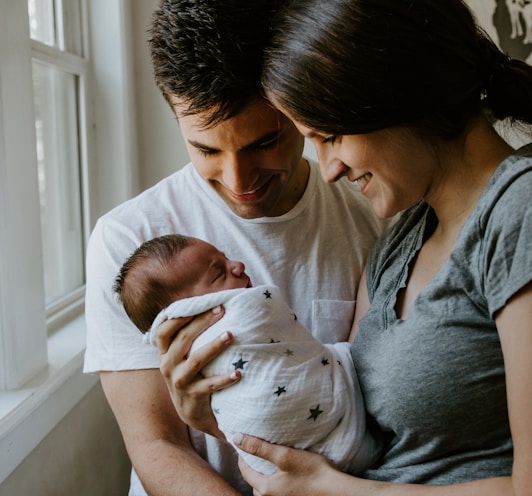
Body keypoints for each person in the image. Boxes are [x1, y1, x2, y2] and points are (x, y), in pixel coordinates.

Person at [164, 0, 532, 494]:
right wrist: (218, 418)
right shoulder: (399, 242)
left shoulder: (518, 211)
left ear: (403, 97)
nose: (329, 168)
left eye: (332, 136)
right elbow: (350, 429)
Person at [83, 0, 387, 495]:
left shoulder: (370, 219)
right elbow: (158, 445)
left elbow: (370, 405)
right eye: (206, 149)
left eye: (263, 142)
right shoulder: (127, 240)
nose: (238, 180)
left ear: (299, 106)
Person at [113, 233, 381, 476]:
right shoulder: (121, 233)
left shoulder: (366, 224)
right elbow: (154, 447)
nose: (237, 264)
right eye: (218, 274)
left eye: (225, 257)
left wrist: (207, 421)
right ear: (190, 309)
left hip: (290, 470)